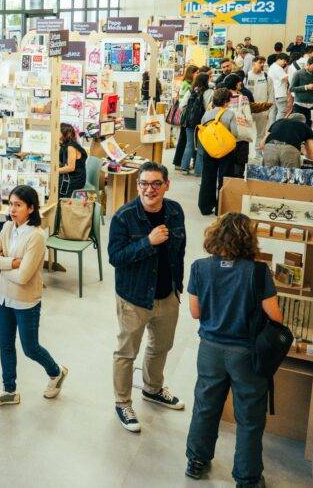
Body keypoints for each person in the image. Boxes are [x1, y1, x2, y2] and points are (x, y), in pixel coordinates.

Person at [185, 213, 283, 487]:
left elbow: (195, 312)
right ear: (248, 239)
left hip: (210, 350)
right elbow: (275, 316)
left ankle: (196, 461)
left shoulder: (199, 268)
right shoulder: (259, 272)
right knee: (249, 417)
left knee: (205, 406)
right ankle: (247, 478)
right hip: (246, 354)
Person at [108, 162, 187, 432]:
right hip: (134, 297)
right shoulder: (124, 217)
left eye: (156, 184)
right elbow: (115, 257)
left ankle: (152, 389)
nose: (149, 189)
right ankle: (122, 402)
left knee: (161, 346)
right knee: (126, 352)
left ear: (167, 185)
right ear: (138, 185)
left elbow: (180, 251)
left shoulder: (175, 211)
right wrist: (147, 242)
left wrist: (178, 286)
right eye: (144, 183)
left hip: (167, 294)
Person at [0, 185, 68, 408]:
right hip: (3, 297)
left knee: (30, 348)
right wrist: (13, 263)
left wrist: (2, 266)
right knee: (5, 344)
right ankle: (9, 390)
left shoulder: (36, 236)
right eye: (11, 204)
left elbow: (23, 278)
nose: (12, 209)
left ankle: (56, 372)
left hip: (26, 301)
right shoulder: (7, 227)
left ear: (31, 208)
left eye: (18, 205)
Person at [198, 89, 240, 216]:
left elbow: (203, 129)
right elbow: (235, 133)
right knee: (225, 178)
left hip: (209, 149)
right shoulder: (230, 114)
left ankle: (205, 206)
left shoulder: (207, 114)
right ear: (226, 101)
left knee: (207, 177)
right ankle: (221, 208)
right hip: (226, 151)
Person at [179, 72, 210, 175]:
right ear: (206, 81)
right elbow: (209, 108)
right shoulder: (209, 92)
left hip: (190, 122)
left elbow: (182, 105)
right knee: (201, 147)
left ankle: (184, 167)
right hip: (203, 123)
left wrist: (189, 113)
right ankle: (198, 171)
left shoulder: (191, 91)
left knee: (189, 145)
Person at [171, 65, 199, 171]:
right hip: (186, 116)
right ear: (192, 73)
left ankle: (180, 162)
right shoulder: (187, 85)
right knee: (184, 140)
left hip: (186, 116)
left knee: (184, 140)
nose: (197, 75)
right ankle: (179, 162)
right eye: (196, 72)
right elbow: (183, 102)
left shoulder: (187, 83)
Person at [245, 57, 270, 156]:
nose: (262, 64)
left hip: (262, 109)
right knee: (246, 133)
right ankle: (246, 153)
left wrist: (268, 109)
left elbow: (271, 93)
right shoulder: (246, 76)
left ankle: (258, 152)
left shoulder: (266, 77)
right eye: (260, 62)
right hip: (249, 109)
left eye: (263, 63)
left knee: (261, 133)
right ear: (253, 63)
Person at [56, 123, 88, 197]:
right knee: (54, 180)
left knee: (57, 183)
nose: (55, 133)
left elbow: (70, 168)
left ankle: (60, 202)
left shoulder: (71, 147)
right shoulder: (64, 145)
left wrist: (54, 171)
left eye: (58, 131)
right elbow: (61, 162)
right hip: (70, 175)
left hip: (76, 178)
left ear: (64, 134)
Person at [290, 55, 313, 123]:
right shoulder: (298, 73)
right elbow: (291, 89)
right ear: (308, 64)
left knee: (310, 125)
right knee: (298, 125)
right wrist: (306, 87)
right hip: (299, 105)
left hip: (312, 105)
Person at [265, 53, 290, 123]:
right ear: (279, 59)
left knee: (274, 111)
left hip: (274, 93)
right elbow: (286, 78)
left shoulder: (272, 66)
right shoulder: (278, 68)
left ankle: (272, 127)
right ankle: (278, 126)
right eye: (284, 61)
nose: (285, 63)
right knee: (282, 111)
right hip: (280, 93)